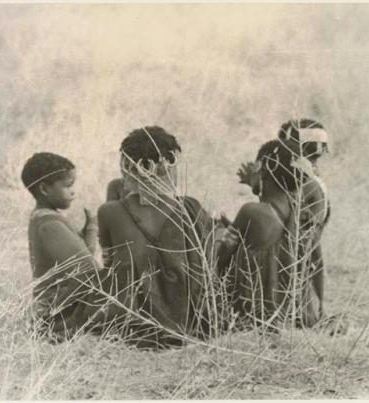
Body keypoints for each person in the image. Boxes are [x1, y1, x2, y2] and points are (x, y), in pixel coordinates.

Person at [97, 126, 216, 347]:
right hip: (186, 320)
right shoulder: (191, 208)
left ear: (127, 168)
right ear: (170, 167)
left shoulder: (110, 211)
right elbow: (208, 263)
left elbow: (110, 264)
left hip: (132, 324)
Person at [236, 119, 330, 326]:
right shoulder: (309, 183)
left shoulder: (307, 187)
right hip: (298, 287)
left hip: (284, 291)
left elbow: (279, 235)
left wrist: (259, 184)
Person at [217, 139, 301, 331]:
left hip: (249, 314)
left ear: (265, 168)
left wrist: (221, 239)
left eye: (257, 166)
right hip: (282, 312)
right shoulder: (293, 206)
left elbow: (220, 263)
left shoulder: (251, 211)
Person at [21, 152, 100, 341]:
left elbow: (83, 258)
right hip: (56, 316)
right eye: (67, 186)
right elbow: (89, 269)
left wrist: (91, 225)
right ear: (45, 189)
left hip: (57, 309)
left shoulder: (45, 216)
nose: (73, 191)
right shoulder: (49, 223)